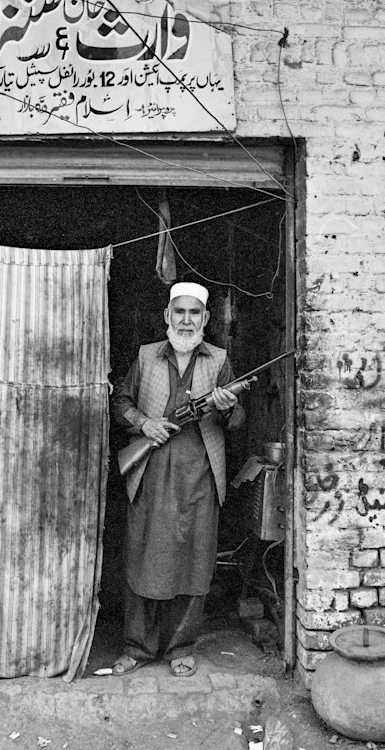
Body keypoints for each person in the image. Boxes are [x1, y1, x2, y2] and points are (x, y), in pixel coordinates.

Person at [111, 282, 245, 677]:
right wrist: (144, 423)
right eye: (180, 312)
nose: (186, 320)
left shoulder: (219, 360)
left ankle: (180, 648)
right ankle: (137, 647)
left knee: (193, 561)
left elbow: (238, 421)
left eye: (194, 313)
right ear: (167, 315)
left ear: (206, 318)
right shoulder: (146, 356)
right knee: (143, 557)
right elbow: (120, 402)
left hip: (199, 476)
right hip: (151, 473)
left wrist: (228, 407)